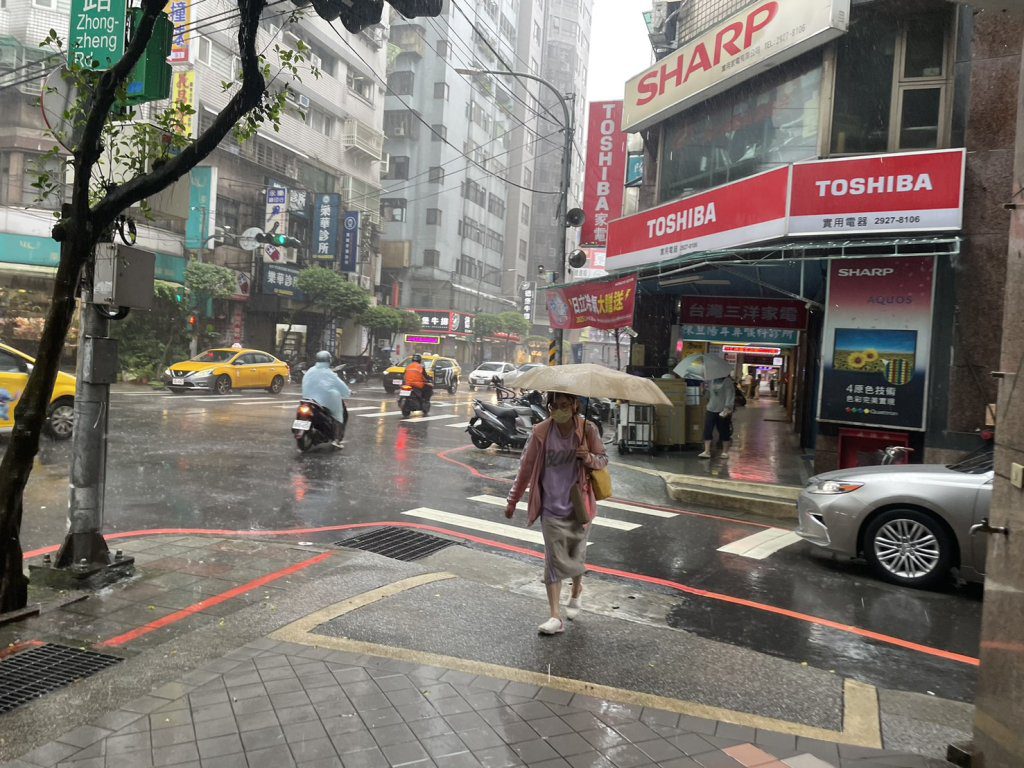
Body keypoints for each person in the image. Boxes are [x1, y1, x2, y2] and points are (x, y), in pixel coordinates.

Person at [504, 392, 608, 635]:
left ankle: (577, 589)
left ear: (574, 406)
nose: (559, 410)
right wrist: (513, 500)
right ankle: (555, 616)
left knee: (575, 556)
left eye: (564, 405)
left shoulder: (588, 429)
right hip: (550, 507)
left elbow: (603, 460)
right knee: (553, 560)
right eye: (554, 406)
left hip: (579, 507)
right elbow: (526, 468)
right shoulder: (541, 432)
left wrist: (588, 457)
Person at [301, 351, 351, 447]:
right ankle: (336, 439)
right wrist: (348, 392)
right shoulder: (329, 373)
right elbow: (342, 386)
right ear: (329, 360)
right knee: (338, 415)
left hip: (308, 399)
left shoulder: (310, 371)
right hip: (324, 401)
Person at [698, 375, 736, 459]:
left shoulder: (727, 381)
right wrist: (704, 390)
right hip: (711, 409)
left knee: (724, 430)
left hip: (723, 410)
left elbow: (730, 395)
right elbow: (708, 396)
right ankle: (707, 451)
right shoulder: (711, 381)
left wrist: (727, 407)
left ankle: (725, 452)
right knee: (708, 430)